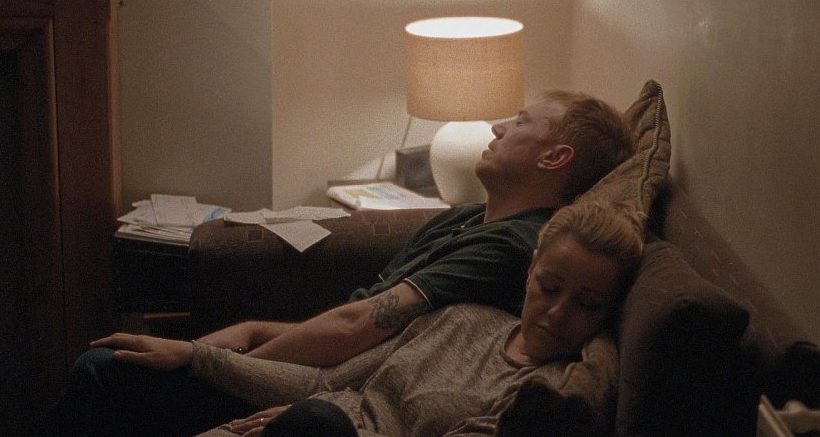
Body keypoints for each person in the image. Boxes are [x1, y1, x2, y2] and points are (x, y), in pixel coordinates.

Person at [48, 90, 633, 435]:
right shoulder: (465, 219)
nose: (500, 127)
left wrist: (213, 362)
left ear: (555, 156)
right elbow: (368, 328)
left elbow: (358, 328)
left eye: (521, 122)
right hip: (318, 381)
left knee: (105, 373)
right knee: (108, 365)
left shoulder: (510, 248)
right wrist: (249, 333)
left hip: (319, 400)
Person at [88, 200, 644, 437]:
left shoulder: (546, 391)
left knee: (318, 424)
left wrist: (325, 420)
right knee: (108, 365)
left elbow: (324, 408)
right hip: (300, 418)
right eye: (550, 288)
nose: (558, 313)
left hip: (320, 431)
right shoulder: (463, 319)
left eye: (588, 304)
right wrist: (197, 355)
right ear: (531, 271)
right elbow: (326, 381)